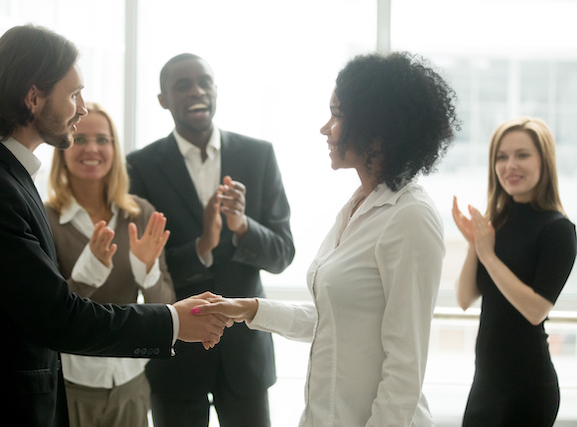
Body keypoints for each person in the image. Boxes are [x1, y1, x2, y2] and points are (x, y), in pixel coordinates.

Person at [0, 25, 226, 427]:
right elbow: (57, 316)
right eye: (73, 94)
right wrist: (173, 322)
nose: (83, 107)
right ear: (34, 98)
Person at [192, 51, 460, 426]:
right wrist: (250, 309)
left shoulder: (410, 217)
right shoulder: (357, 206)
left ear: (375, 129)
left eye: (337, 115)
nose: (325, 128)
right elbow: (335, 320)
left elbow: (405, 367)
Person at [126, 53, 295, 427]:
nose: (196, 91)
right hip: (175, 353)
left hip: (245, 354)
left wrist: (241, 226)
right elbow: (145, 264)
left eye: (204, 82)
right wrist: (202, 245)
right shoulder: (139, 165)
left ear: (216, 89)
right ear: (163, 99)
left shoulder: (259, 154)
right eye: (182, 85)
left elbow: (283, 254)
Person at [45, 101, 176, 427]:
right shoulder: (46, 218)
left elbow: (165, 306)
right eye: (80, 138)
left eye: (102, 139)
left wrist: (147, 272)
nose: (92, 148)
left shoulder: (140, 213)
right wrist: (88, 273)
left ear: (115, 149)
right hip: (71, 385)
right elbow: (48, 315)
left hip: (130, 381)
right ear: (62, 148)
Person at [452, 117, 577, 426]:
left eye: (522, 154)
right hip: (485, 385)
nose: (510, 165)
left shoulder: (559, 230)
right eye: (501, 156)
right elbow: (465, 299)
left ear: (543, 161)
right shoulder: (497, 224)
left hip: (528, 389)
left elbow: (535, 310)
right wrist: (474, 244)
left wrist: (488, 255)